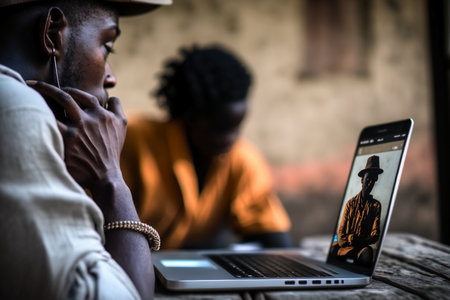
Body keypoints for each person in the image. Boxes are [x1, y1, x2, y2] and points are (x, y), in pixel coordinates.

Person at [0, 0, 171, 299]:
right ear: (53, 34)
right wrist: (110, 180)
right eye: (107, 46)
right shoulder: (15, 107)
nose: (111, 77)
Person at [120, 44, 293, 250]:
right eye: (219, 128)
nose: (231, 138)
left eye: (237, 127)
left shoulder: (242, 160)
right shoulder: (130, 138)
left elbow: (274, 237)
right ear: (189, 115)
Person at [336, 155, 383, 266]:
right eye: (368, 179)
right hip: (346, 249)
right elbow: (340, 236)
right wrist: (350, 239)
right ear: (362, 180)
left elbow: (375, 235)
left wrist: (359, 240)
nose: (370, 183)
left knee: (367, 252)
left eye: (373, 179)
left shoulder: (375, 206)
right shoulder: (350, 204)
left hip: (362, 249)